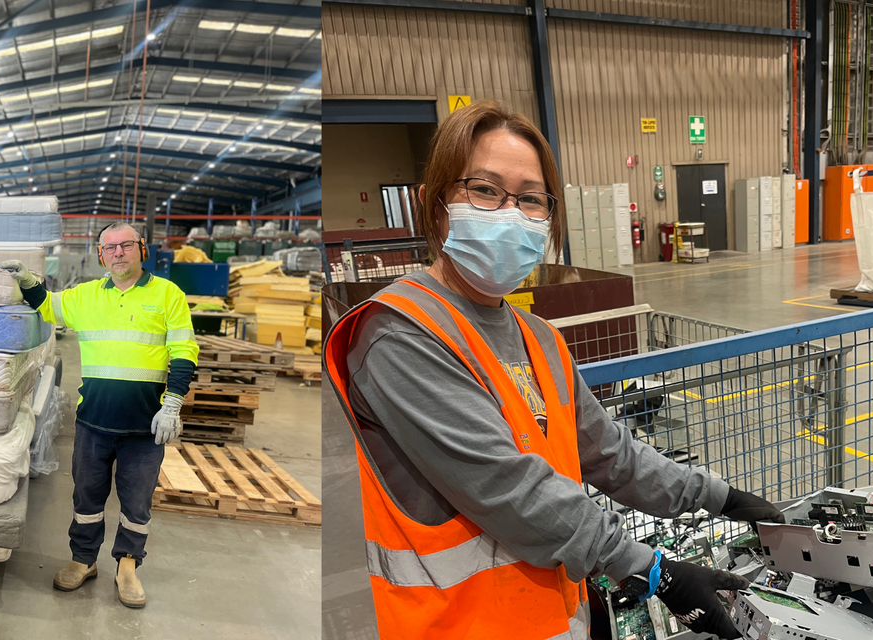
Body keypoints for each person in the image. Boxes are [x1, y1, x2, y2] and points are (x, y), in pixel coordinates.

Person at [324, 101, 784, 640]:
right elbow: (510, 489)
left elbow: (610, 453)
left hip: (549, 620)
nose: (511, 213)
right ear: (435, 203)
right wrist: (651, 569)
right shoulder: (401, 334)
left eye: (530, 198)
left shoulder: (535, 336)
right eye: (485, 190)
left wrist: (721, 497)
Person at [1, 221, 199, 608]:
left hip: (145, 427)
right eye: (109, 248)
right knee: (86, 497)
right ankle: (83, 560)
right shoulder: (86, 296)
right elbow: (47, 305)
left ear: (142, 248)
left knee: (136, 503)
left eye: (125, 245)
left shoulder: (167, 295)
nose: (118, 253)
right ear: (100, 255)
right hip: (93, 422)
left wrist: (172, 404)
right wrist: (25, 280)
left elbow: (184, 351)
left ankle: (127, 566)